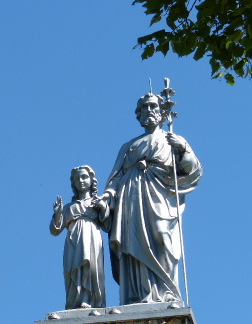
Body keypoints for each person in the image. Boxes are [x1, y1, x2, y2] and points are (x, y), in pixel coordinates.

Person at [101, 93, 202, 305]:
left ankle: (167, 292)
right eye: (144, 107)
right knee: (132, 242)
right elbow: (116, 177)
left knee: (162, 237)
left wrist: (182, 149)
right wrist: (108, 195)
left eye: (153, 106)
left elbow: (194, 170)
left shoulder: (172, 140)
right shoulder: (129, 145)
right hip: (131, 195)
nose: (149, 111)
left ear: (162, 112)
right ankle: (137, 294)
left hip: (160, 195)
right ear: (138, 114)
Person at [50, 166, 110, 309]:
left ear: (91, 180)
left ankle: (89, 299)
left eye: (84, 177)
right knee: (73, 269)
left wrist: (103, 207)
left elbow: (108, 225)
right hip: (73, 240)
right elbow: (55, 230)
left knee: (92, 267)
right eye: (77, 179)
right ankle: (75, 301)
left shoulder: (97, 202)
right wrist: (58, 214)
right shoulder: (69, 207)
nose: (80, 181)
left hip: (92, 236)